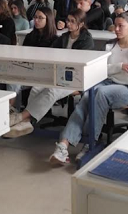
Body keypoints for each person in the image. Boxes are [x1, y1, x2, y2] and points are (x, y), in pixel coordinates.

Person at [50, 12, 128, 165]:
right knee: (87, 96)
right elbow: (98, 69)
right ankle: (63, 145)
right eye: (115, 26)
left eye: (121, 26)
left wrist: (110, 69)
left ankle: (90, 142)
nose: (116, 29)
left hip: (126, 89)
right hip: (106, 82)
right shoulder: (109, 45)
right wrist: (119, 67)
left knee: (100, 93)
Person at [6, 10, 93, 138]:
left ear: (81, 24)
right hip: (58, 74)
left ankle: (21, 117)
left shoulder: (87, 40)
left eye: (72, 21)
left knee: (51, 91)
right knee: (36, 88)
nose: (68, 24)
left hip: (76, 79)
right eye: (68, 20)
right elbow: (51, 53)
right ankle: (27, 122)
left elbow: (79, 64)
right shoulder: (64, 37)